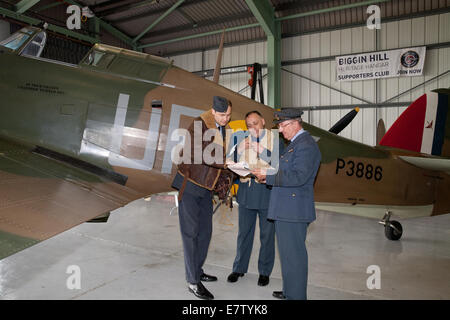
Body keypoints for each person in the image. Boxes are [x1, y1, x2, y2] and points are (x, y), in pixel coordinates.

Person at [252, 108, 321, 300]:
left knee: (294, 259)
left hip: (294, 212)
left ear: (294, 123)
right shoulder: (295, 144)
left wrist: (268, 176)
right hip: (286, 210)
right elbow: (281, 165)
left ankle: (296, 296)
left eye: (282, 126)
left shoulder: (306, 145)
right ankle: (291, 291)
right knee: (288, 257)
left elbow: (299, 176)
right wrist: (262, 155)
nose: (280, 130)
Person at [171, 96, 234, 300]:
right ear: (213, 111)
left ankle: (197, 270)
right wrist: (225, 163)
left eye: (229, 115)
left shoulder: (221, 127)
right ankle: (192, 281)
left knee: (205, 233)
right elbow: (200, 153)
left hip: (205, 188)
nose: (226, 118)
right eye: (223, 115)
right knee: (190, 234)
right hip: (189, 187)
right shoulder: (199, 124)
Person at [226, 111, 279, 287]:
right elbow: (229, 163)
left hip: (266, 192)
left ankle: (264, 272)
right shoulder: (242, 139)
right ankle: (239, 268)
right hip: (246, 191)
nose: (253, 128)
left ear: (263, 122)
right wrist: (238, 151)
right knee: (244, 233)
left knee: (267, 235)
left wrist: (262, 151)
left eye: (255, 123)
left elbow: (279, 164)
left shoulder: (275, 139)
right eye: (249, 125)